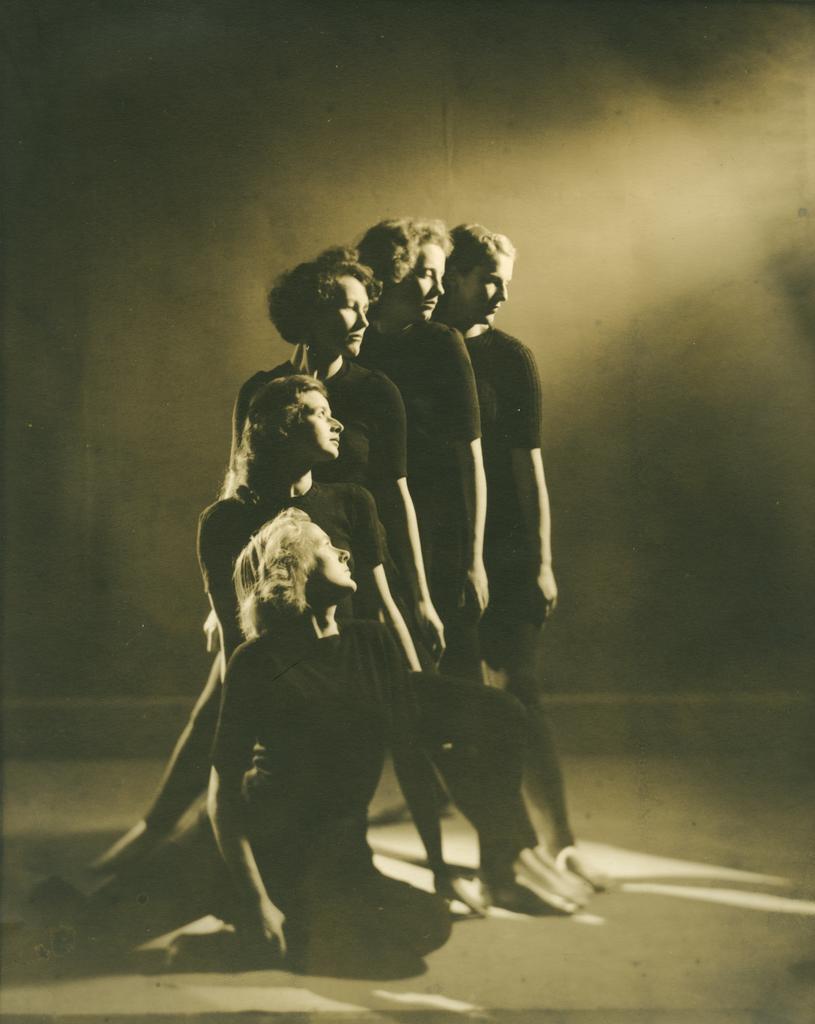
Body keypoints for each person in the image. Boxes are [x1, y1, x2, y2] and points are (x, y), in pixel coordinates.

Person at [91, 375, 424, 875]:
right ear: (282, 430)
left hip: (345, 663)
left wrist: (414, 680)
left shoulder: (351, 500)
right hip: (279, 671)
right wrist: (250, 716)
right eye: (317, 412)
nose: (336, 423)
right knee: (225, 727)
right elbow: (234, 636)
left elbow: (383, 603)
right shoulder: (225, 520)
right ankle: (172, 830)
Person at [435, 223, 606, 890]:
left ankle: (560, 842)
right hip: (440, 548)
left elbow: (526, 467)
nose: (500, 293)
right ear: (449, 277)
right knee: (456, 700)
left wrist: (540, 559)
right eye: (487, 278)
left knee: (522, 695)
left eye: (507, 280)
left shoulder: (510, 358)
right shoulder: (418, 355)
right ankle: (498, 851)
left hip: (504, 549)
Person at [226, 246, 445, 662]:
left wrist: (421, 598)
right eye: (350, 308)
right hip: (281, 577)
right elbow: (238, 485)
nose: (365, 322)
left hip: (361, 569)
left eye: (368, 309)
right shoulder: (260, 392)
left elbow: (398, 499)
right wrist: (230, 588)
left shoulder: (376, 391)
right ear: (311, 314)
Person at [355, 219, 488, 682]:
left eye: (440, 274)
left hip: (440, 526)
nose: (437, 287)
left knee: (451, 664)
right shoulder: (356, 344)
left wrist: (474, 559)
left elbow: (471, 457)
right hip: (375, 521)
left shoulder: (442, 343)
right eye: (426, 273)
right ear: (391, 273)